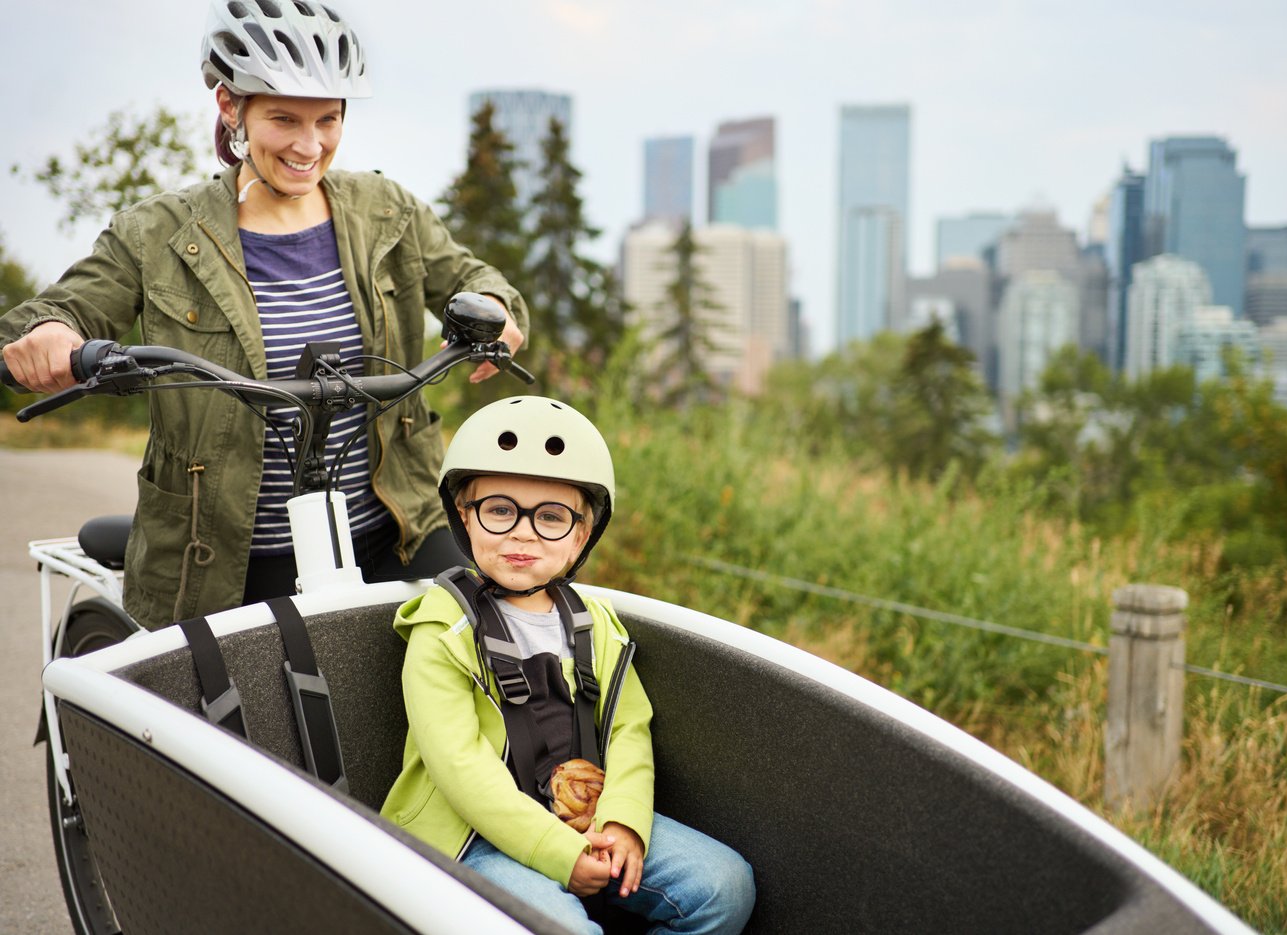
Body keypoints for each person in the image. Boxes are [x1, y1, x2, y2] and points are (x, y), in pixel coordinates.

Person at [0, 1, 528, 628]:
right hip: (224, 558)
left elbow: (471, 276)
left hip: (396, 530)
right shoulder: (155, 233)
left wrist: (494, 309)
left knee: (495, 637)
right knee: (230, 722)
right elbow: (59, 311)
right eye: (284, 118)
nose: (310, 145)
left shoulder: (386, 211)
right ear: (231, 107)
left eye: (327, 120)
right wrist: (51, 337)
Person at [380, 396, 755, 935]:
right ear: (464, 516)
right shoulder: (441, 627)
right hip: (472, 836)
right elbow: (460, 767)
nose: (524, 532)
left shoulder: (594, 623)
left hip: (584, 813)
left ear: (582, 534)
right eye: (500, 510)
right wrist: (558, 852)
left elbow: (628, 728)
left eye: (551, 517)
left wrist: (622, 823)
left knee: (723, 886)